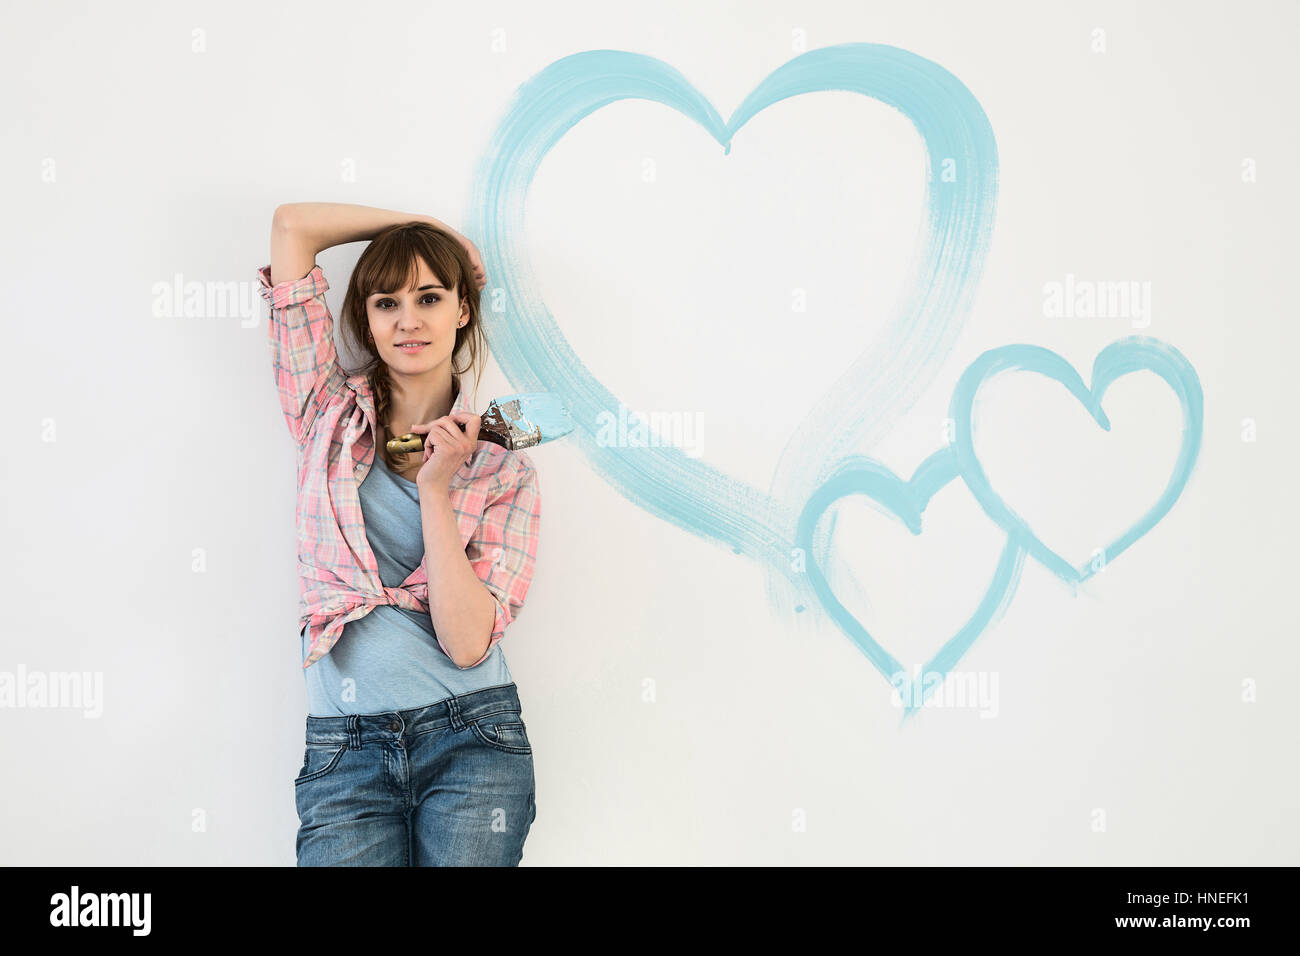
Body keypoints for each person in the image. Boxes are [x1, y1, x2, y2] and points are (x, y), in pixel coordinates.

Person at [257, 202, 541, 866]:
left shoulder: (504, 467)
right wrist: (435, 232)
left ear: (462, 311)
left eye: (431, 297)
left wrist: (437, 488)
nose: (408, 319)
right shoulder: (321, 411)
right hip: (345, 752)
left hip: (474, 742)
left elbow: (469, 644)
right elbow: (293, 227)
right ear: (368, 320)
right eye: (386, 302)